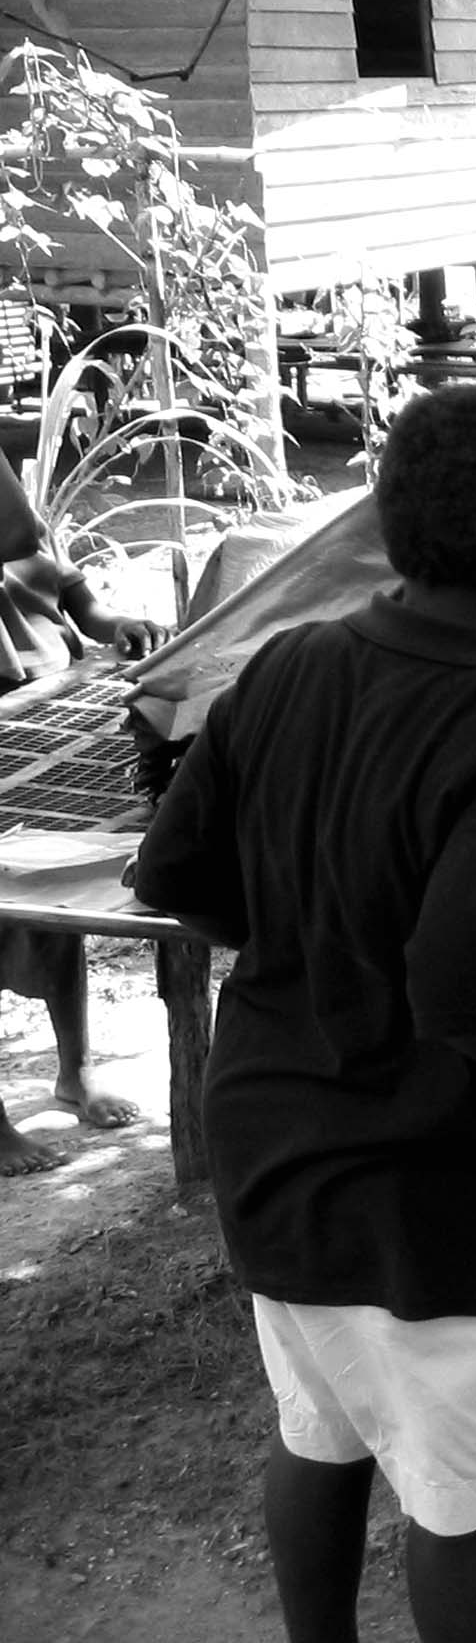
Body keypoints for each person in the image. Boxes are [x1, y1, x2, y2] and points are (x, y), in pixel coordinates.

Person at [133, 383, 476, 1643]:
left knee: (323, 1427)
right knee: (456, 1504)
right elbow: (465, 993)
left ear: (386, 525)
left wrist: (311, 940)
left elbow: (179, 878)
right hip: (429, 1175)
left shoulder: (289, 664)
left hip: (276, 1144)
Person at [0, 455, 171, 1176]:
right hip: (12, 724)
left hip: (45, 703)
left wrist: (112, 623)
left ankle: (74, 1074)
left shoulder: (20, 546)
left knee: (55, 907)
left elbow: (63, 583)